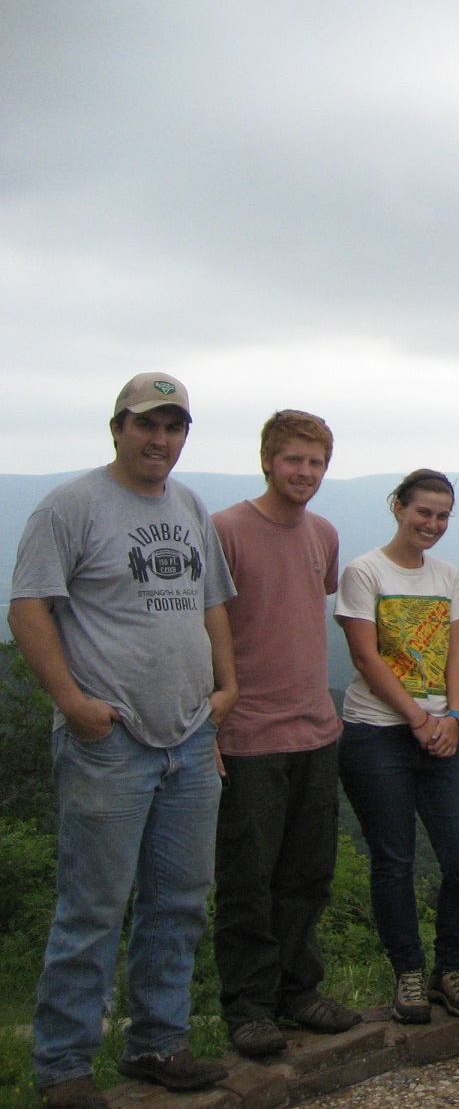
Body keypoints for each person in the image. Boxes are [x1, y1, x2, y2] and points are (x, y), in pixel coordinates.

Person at [10, 373, 236, 1107]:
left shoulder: (190, 504)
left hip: (190, 733)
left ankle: (157, 1043)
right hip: (111, 739)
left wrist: (225, 689)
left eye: (173, 428)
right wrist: (72, 703)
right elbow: (28, 608)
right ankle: (65, 1065)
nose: (159, 440)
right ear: (117, 428)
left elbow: (212, 603)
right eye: (147, 425)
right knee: (94, 905)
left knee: (179, 899)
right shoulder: (70, 505)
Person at [212, 410, 361, 1059]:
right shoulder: (226, 531)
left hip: (316, 730)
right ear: (268, 459)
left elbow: (312, 604)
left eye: (316, 463)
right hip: (250, 735)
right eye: (294, 459)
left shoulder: (323, 534)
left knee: (307, 876)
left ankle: (299, 991)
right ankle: (248, 1006)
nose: (305, 473)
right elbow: (205, 630)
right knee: (248, 878)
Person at [336, 470, 459, 1026]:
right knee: (394, 860)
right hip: (378, 732)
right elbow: (365, 656)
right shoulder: (364, 571)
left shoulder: (447, 576)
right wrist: (417, 718)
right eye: (423, 512)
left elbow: (458, 652)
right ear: (398, 507)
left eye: (443, 516)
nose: (433, 524)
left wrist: (453, 715)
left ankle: (452, 967)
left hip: (442, 731)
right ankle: (409, 974)